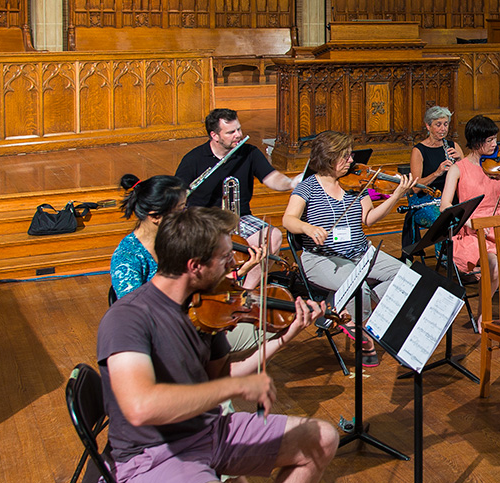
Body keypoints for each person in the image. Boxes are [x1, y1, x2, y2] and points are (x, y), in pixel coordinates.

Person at [98, 206, 335, 483]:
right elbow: (140, 407)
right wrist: (232, 387)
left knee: (321, 438)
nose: (234, 267)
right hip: (150, 457)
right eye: (226, 259)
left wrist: (285, 336)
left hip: (209, 432)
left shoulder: (205, 308)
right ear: (195, 266)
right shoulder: (129, 318)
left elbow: (225, 377)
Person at [281, 131, 417, 367]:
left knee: (406, 276)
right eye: (344, 157)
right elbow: (288, 219)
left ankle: (366, 319)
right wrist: (307, 227)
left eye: (350, 155)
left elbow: (370, 218)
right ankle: (360, 329)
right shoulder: (308, 187)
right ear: (327, 158)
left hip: (361, 253)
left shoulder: (355, 185)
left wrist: (396, 195)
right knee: (359, 289)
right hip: (322, 259)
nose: (351, 161)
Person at [111, 174, 269, 356]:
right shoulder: (127, 258)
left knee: (266, 321)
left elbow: (198, 283)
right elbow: (134, 313)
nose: (186, 214)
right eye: (180, 210)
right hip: (166, 339)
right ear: (155, 216)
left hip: (196, 319)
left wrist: (240, 271)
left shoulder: (177, 239)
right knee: (268, 328)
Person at [175, 108, 297, 287]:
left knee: (273, 237)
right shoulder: (193, 159)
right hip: (205, 220)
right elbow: (177, 195)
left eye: (238, 129)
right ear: (215, 136)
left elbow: (271, 178)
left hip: (239, 217)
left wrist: (289, 183)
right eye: (231, 132)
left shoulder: (249, 152)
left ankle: (246, 291)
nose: (238, 135)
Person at [440, 115, 500, 302]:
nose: (494, 144)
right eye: (489, 140)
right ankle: (483, 314)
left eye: (495, 139)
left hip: (499, 226)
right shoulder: (459, 169)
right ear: (476, 141)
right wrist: (468, 221)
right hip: (473, 229)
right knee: (494, 268)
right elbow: (445, 205)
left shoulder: (499, 167)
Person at [408, 105, 464, 234]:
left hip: (452, 198)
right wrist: (437, 173)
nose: (443, 129)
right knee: (444, 220)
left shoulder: (453, 146)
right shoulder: (418, 151)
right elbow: (416, 188)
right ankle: (445, 254)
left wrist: (461, 161)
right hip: (428, 200)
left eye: (445, 124)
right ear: (428, 126)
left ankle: (464, 250)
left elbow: (468, 176)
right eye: (438, 124)